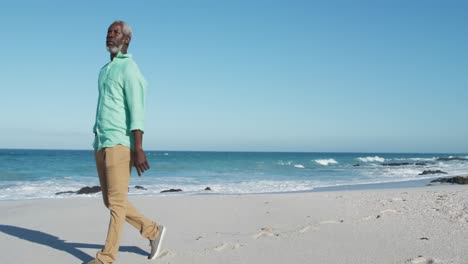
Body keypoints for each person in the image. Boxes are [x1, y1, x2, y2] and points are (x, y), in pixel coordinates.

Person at [89, 20, 166, 264]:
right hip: (101, 142)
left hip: (120, 144)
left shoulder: (130, 69)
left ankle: (106, 257)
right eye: (109, 32)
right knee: (111, 201)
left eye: (116, 32)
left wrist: (139, 148)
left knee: (116, 204)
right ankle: (153, 231)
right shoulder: (104, 70)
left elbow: (137, 110)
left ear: (127, 40)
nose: (110, 36)